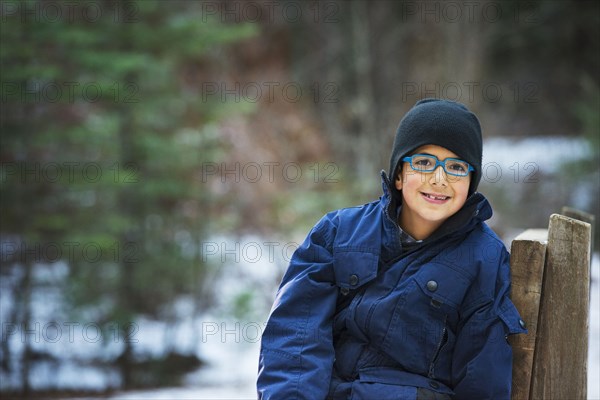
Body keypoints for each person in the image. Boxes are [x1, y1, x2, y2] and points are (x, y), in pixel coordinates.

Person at [257, 98, 527, 399]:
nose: (439, 179)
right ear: (399, 175)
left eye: (456, 167)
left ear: (471, 183)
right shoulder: (338, 232)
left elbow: (482, 374)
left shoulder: (483, 258)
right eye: (424, 163)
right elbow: (296, 332)